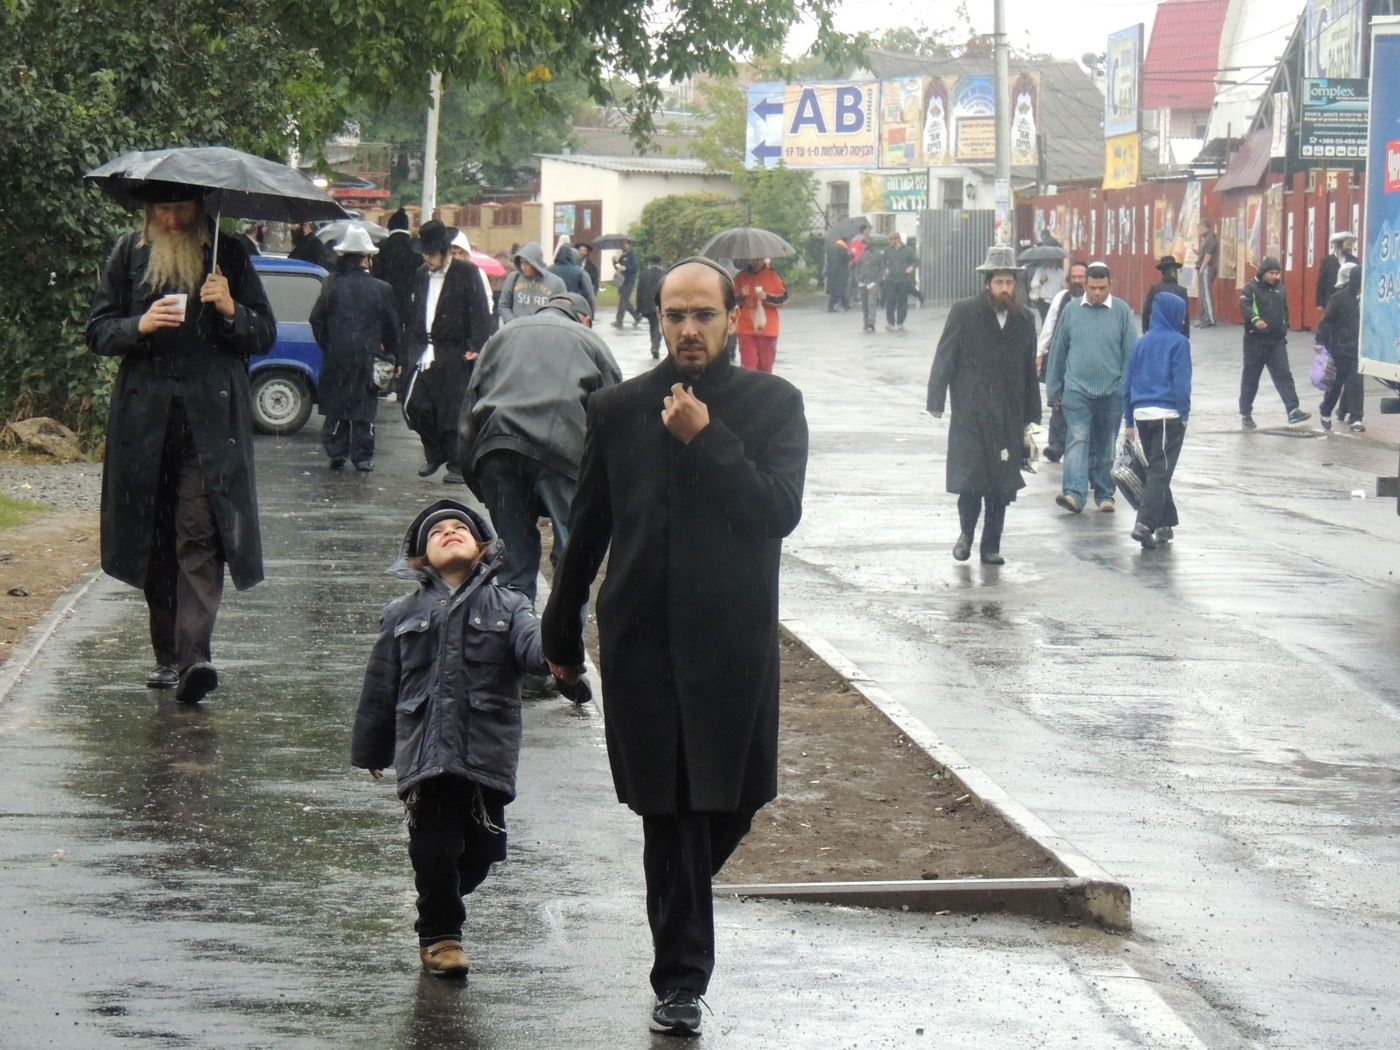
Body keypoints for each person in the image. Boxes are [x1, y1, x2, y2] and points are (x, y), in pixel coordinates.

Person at [540, 258, 808, 1038]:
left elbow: (778, 511)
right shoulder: (619, 408)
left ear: (732, 316)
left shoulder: (774, 405)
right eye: (675, 315)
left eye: (704, 314)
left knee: (736, 799)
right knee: (671, 810)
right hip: (642, 641)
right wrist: (560, 635)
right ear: (657, 318)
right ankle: (681, 982)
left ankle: (678, 894)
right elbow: (587, 529)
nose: (689, 329)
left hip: (733, 642)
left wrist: (707, 439)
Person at [351, 500, 582, 979]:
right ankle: (441, 936)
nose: (450, 532)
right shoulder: (402, 613)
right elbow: (381, 685)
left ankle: (437, 893)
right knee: (434, 848)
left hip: (485, 754)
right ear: (420, 557)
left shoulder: (510, 604)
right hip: (425, 756)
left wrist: (558, 657)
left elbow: (532, 646)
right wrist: (373, 747)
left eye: (461, 527)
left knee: (482, 854)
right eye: (437, 532)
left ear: (482, 549)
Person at [86, 184, 275, 703]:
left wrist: (231, 308)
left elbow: (264, 334)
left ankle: (195, 659)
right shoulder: (129, 253)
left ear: (200, 209)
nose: (172, 220)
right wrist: (139, 324)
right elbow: (98, 331)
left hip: (210, 421)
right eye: (162, 210)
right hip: (145, 420)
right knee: (155, 531)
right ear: (149, 212)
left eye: (181, 208)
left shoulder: (230, 253)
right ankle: (167, 655)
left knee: (199, 529)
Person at [457, 291, 620, 612]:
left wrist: (478, 480)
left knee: (514, 563)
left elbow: (468, 410)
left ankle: (514, 632)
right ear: (585, 318)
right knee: (572, 562)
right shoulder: (589, 339)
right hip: (562, 452)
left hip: (497, 449)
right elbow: (614, 410)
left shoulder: (502, 336)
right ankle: (564, 640)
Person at [926, 245, 1041, 565]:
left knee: (1001, 485)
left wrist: (1033, 416)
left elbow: (1029, 371)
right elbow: (945, 356)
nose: (1004, 289)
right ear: (987, 283)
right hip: (971, 412)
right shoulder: (964, 312)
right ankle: (965, 535)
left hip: (1008, 415)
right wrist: (936, 399)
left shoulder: (1024, 318)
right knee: (971, 479)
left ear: (1015, 285)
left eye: (1009, 283)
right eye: (999, 282)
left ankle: (991, 547)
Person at [403, 219, 493, 483]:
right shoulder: (421, 274)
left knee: (452, 411)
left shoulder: (467, 272)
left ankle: (457, 464)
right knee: (417, 406)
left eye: (431, 254)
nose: (426, 258)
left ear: (444, 251)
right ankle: (435, 452)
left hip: (455, 350)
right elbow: (417, 311)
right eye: (424, 253)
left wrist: (477, 345)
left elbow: (480, 311)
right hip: (425, 349)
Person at [1046, 261, 1137, 514]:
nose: (1097, 293)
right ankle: (1074, 494)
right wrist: (1054, 387)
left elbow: (1131, 354)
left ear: (1110, 286)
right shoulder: (1072, 310)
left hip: (1111, 391)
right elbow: (1059, 349)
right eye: (1092, 288)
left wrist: (1125, 388)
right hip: (1076, 389)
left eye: (1102, 288)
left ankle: (1105, 494)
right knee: (1077, 438)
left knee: (1106, 445)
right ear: (1085, 285)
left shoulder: (1122, 312)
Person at [309, 224, 400, 472]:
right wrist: (394, 356)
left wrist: (329, 342)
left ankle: (336, 450)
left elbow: (316, 319)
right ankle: (362, 456)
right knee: (364, 406)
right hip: (368, 356)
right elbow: (391, 327)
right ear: (367, 258)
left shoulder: (332, 284)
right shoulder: (382, 289)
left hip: (337, 355)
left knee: (337, 405)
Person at [1123, 293, 1192, 549]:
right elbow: (1182, 383)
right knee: (1159, 472)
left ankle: (1165, 523)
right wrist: (1184, 413)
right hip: (1168, 415)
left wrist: (1129, 420)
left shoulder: (1141, 343)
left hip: (1142, 415)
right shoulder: (1179, 343)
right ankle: (1145, 523)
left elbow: (1127, 383)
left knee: (1158, 468)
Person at [1238, 256, 1309, 429]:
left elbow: (1285, 310)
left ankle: (1293, 410)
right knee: (1251, 378)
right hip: (1255, 342)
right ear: (1263, 272)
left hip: (1276, 341)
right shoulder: (1250, 288)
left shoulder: (1280, 289)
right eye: (1272, 273)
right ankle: (1246, 414)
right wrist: (1256, 320)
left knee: (1284, 375)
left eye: (1277, 273)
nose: (1275, 277)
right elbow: (1245, 307)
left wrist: (1285, 326)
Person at [1036, 260, 1088, 463]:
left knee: (1080, 403)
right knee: (1058, 401)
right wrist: (1040, 352)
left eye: (1081, 277)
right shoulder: (1061, 298)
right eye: (1074, 277)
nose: (1077, 281)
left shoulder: (1094, 300)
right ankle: (1056, 445)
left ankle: (1078, 443)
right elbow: (1049, 325)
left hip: (1085, 361)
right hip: (1061, 359)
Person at [1317, 262, 1363, 433]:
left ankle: (1357, 418)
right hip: (1339, 349)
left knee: (1356, 383)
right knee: (1335, 385)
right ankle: (1325, 411)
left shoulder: (1364, 300)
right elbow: (1326, 321)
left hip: (1356, 349)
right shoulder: (1338, 299)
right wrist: (1320, 342)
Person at [372, 207, 422, 342]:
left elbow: (376, 275)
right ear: (407, 226)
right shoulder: (416, 248)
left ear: (389, 226)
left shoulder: (381, 249)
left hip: (386, 302)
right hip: (409, 301)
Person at [733, 257, 788, 371]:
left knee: (766, 367)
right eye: (754, 259)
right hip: (745, 328)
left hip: (768, 329)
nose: (757, 262)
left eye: (759, 259)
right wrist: (741, 296)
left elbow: (783, 299)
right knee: (749, 367)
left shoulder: (773, 275)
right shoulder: (740, 277)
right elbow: (730, 302)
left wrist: (767, 297)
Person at [497, 241, 565, 325]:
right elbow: (503, 305)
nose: (523, 267)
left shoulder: (556, 283)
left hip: (543, 330)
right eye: (521, 262)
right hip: (517, 329)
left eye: (527, 263)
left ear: (535, 263)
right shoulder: (513, 278)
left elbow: (562, 310)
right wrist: (512, 323)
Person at [1141, 255, 1190, 335]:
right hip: (1176, 333)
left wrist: (1146, 331)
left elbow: (1146, 312)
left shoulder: (1155, 289)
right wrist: (1185, 335)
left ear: (1162, 272)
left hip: (1157, 332)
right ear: (1175, 272)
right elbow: (1185, 316)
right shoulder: (1182, 291)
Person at [548, 239, 597, 318]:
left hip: (552, 309)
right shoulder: (580, 273)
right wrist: (591, 314)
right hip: (573, 311)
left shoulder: (548, 270)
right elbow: (590, 296)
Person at [882, 232, 918, 330]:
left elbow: (916, 261)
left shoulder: (908, 250)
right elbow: (883, 261)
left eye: (893, 240)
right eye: (890, 240)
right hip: (891, 279)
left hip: (903, 279)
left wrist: (911, 267)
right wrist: (885, 268)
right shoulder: (888, 250)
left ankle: (900, 322)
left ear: (898, 239)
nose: (891, 242)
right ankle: (890, 322)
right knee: (890, 301)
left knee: (902, 301)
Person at [1316, 231, 1358, 312]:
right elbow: (1321, 283)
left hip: (1348, 302)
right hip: (1330, 301)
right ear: (1339, 245)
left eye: (1351, 244)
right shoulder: (1326, 261)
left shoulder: (1354, 260)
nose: (1350, 248)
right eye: (1348, 244)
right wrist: (1320, 303)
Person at [851, 227, 881, 333]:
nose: (863, 246)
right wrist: (857, 279)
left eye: (865, 244)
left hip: (873, 282)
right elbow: (858, 267)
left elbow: (881, 268)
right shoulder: (862, 254)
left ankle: (871, 322)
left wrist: (877, 281)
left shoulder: (878, 254)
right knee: (864, 303)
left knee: (872, 302)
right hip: (863, 282)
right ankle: (866, 321)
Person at [636, 254, 666, 359]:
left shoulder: (644, 274)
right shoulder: (664, 274)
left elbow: (639, 291)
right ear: (660, 263)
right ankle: (655, 346)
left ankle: (654, 345)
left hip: (647, 306)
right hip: (660, 304)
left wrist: (638, 306)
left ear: (650, 263)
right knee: (658, 325)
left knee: (652, 325)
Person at [611, 237, 642, 328]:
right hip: (622, 281)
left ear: (629, 245)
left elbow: (635, 267)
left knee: (623, 300)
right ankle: (637, 316)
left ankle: (619, 320)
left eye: (624, 244)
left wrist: (626, 268)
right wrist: (615, 262)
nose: (622, 245)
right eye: (621, 244)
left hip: (629, 280)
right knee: (624, 300)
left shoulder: (632, 255)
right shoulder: (623, 255)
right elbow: (618, 267)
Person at [1195, 220, 1219, 327]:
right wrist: (1198, 252)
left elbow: (1209, 254)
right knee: (1202, 293)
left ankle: (1210, 318)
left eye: (1199, 228)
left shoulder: (1210, 238)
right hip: (1205, 267)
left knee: (1206, 293)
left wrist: (1202, 267)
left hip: (1207, 268)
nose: (1198, 230)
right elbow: (1205, 253)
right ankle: (1204, 317)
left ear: (1203, 226)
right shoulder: (1207, 238)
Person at [826, 230, 853, 311]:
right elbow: (846, 258)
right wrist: (852, 254)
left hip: (832, 271)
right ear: (845, 241)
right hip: (840, 272)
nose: (849, 243)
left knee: (838, 289)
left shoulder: (832, 247)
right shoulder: (842, 248)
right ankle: (831, 306)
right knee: (839, 289)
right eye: (848, 241)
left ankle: (845, 305)